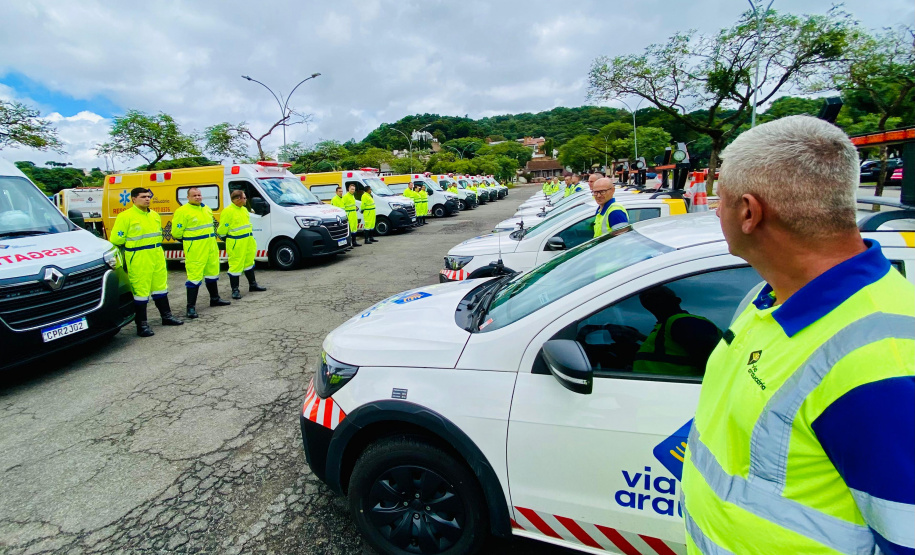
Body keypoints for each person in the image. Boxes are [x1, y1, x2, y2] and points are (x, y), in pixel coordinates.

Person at [682, 115, 914, 555]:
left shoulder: (885, 365)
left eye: (721, 201)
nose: (715, 212)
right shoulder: (767, 297)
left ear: (749, 212)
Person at [109, 187, 183, 336]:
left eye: (148, 196)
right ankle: (142, 325)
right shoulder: (125, 216)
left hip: (156, 254)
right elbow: (116, 239)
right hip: (139, 256)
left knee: (160, 286)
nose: (147, 199)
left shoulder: (155, 215)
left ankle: (166, 316)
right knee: (141, 291)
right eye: (143, 197)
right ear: (134, 199)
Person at [632, 286, 721, 376]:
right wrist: (638, 336)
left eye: (654, 295)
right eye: (643, 296)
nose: (647, 298)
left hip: (676, 386)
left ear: (676, 300)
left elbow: (710, 359)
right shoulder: (666, 325)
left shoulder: (683, 322)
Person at [171, 187, 229, 318]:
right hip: (195, 248)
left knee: (213, 272)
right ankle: (190, 308)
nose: (197, 197)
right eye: (194, 195)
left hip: (210, 246)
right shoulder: (182, 211)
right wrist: (191, 242)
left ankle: (215, 299)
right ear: (188, 197)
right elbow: (176, 233)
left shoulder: (206, 208)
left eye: (199, 195)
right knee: (194, 276)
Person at [217, 189, 266, 299]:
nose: (245, 200)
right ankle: (235, 290)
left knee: (249, 262)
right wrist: (230, 240)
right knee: (235, 265)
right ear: (237, 199)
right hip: (236, 242)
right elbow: (222, 230)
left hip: (247, 240)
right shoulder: (228, 211)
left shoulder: (243, 210)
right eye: (244, 197)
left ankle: (253, 285)